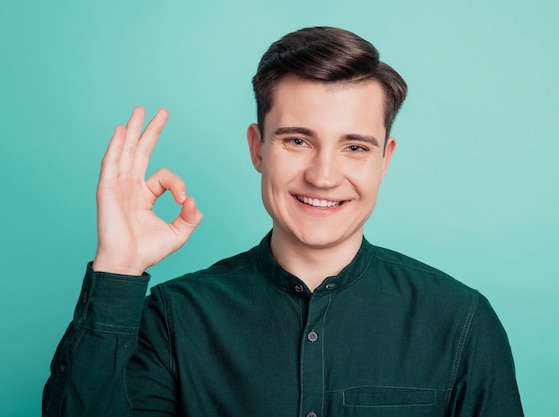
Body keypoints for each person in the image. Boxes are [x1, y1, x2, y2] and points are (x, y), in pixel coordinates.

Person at [43, 26, 523, 417]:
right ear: (258, 147)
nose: (323, 175)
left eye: (354, 147)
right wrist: (117, 270)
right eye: (298, 140)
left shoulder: (461, 321)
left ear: (384, 160)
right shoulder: (173, 319)